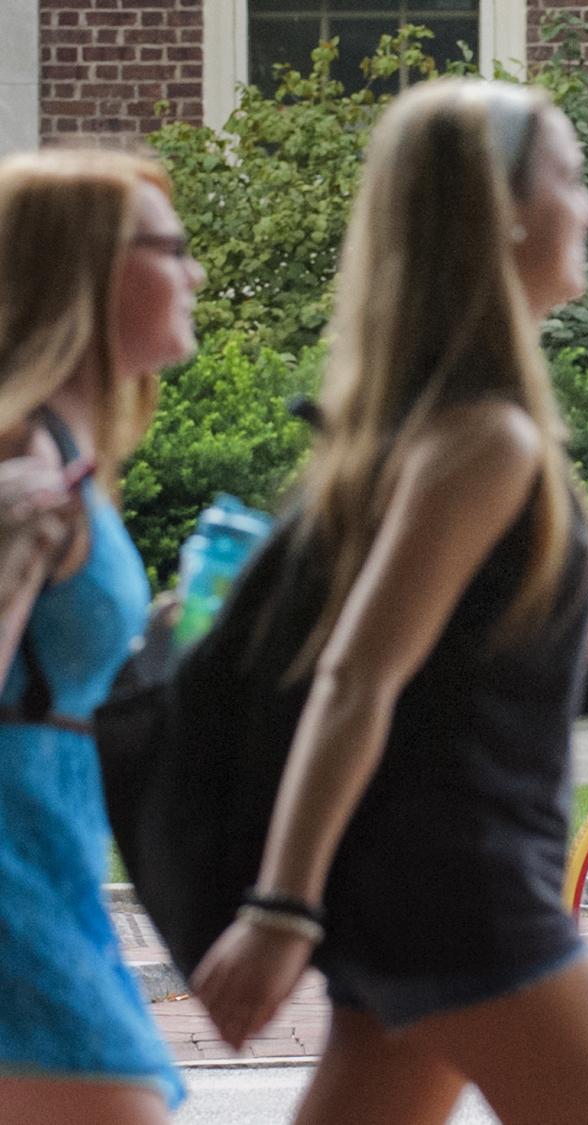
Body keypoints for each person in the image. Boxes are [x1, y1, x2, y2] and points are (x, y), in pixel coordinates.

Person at [187, 80, 588, 1125]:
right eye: (570, 180)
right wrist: (279, 909)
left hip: (413, 891)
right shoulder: (484, 437)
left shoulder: (429, 424)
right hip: (471, 902)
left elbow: (447, 625)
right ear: (499, 209)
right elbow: (358, 675)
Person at [0, 148, 202, 1123]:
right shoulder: (21, 453)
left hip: (53, 877)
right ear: (89, 269)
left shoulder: (65, 448)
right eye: (170, 250)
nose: (194, 273)